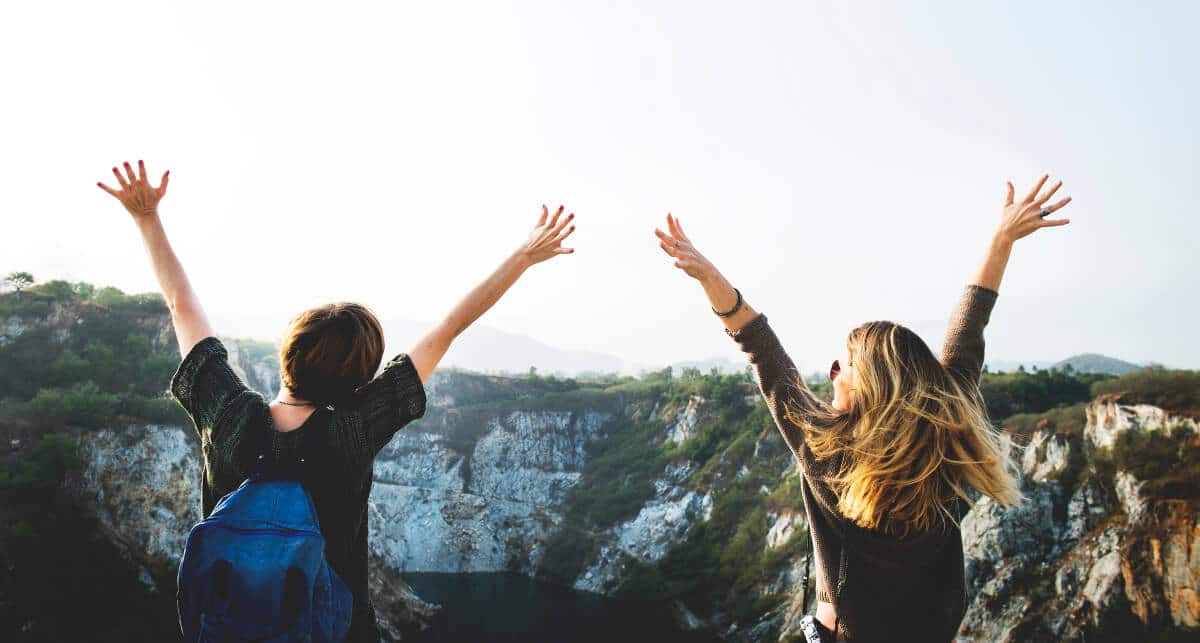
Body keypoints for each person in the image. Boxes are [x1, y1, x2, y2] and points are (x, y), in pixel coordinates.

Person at [98, 160, 577, 642]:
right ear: (361, 377)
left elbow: (182, 306)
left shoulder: (228, 416)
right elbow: (450, 327)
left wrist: (146, 218)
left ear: (289, 352)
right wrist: (523, 257)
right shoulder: (354, 428)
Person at [653, 176, 1072, 642]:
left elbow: (761, 348)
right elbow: (970, 322)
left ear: (870, 384)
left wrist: (709, 277)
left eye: (842, 365)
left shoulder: (826, 450)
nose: (832, 372)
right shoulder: (945, 434)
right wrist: (1002, 238)